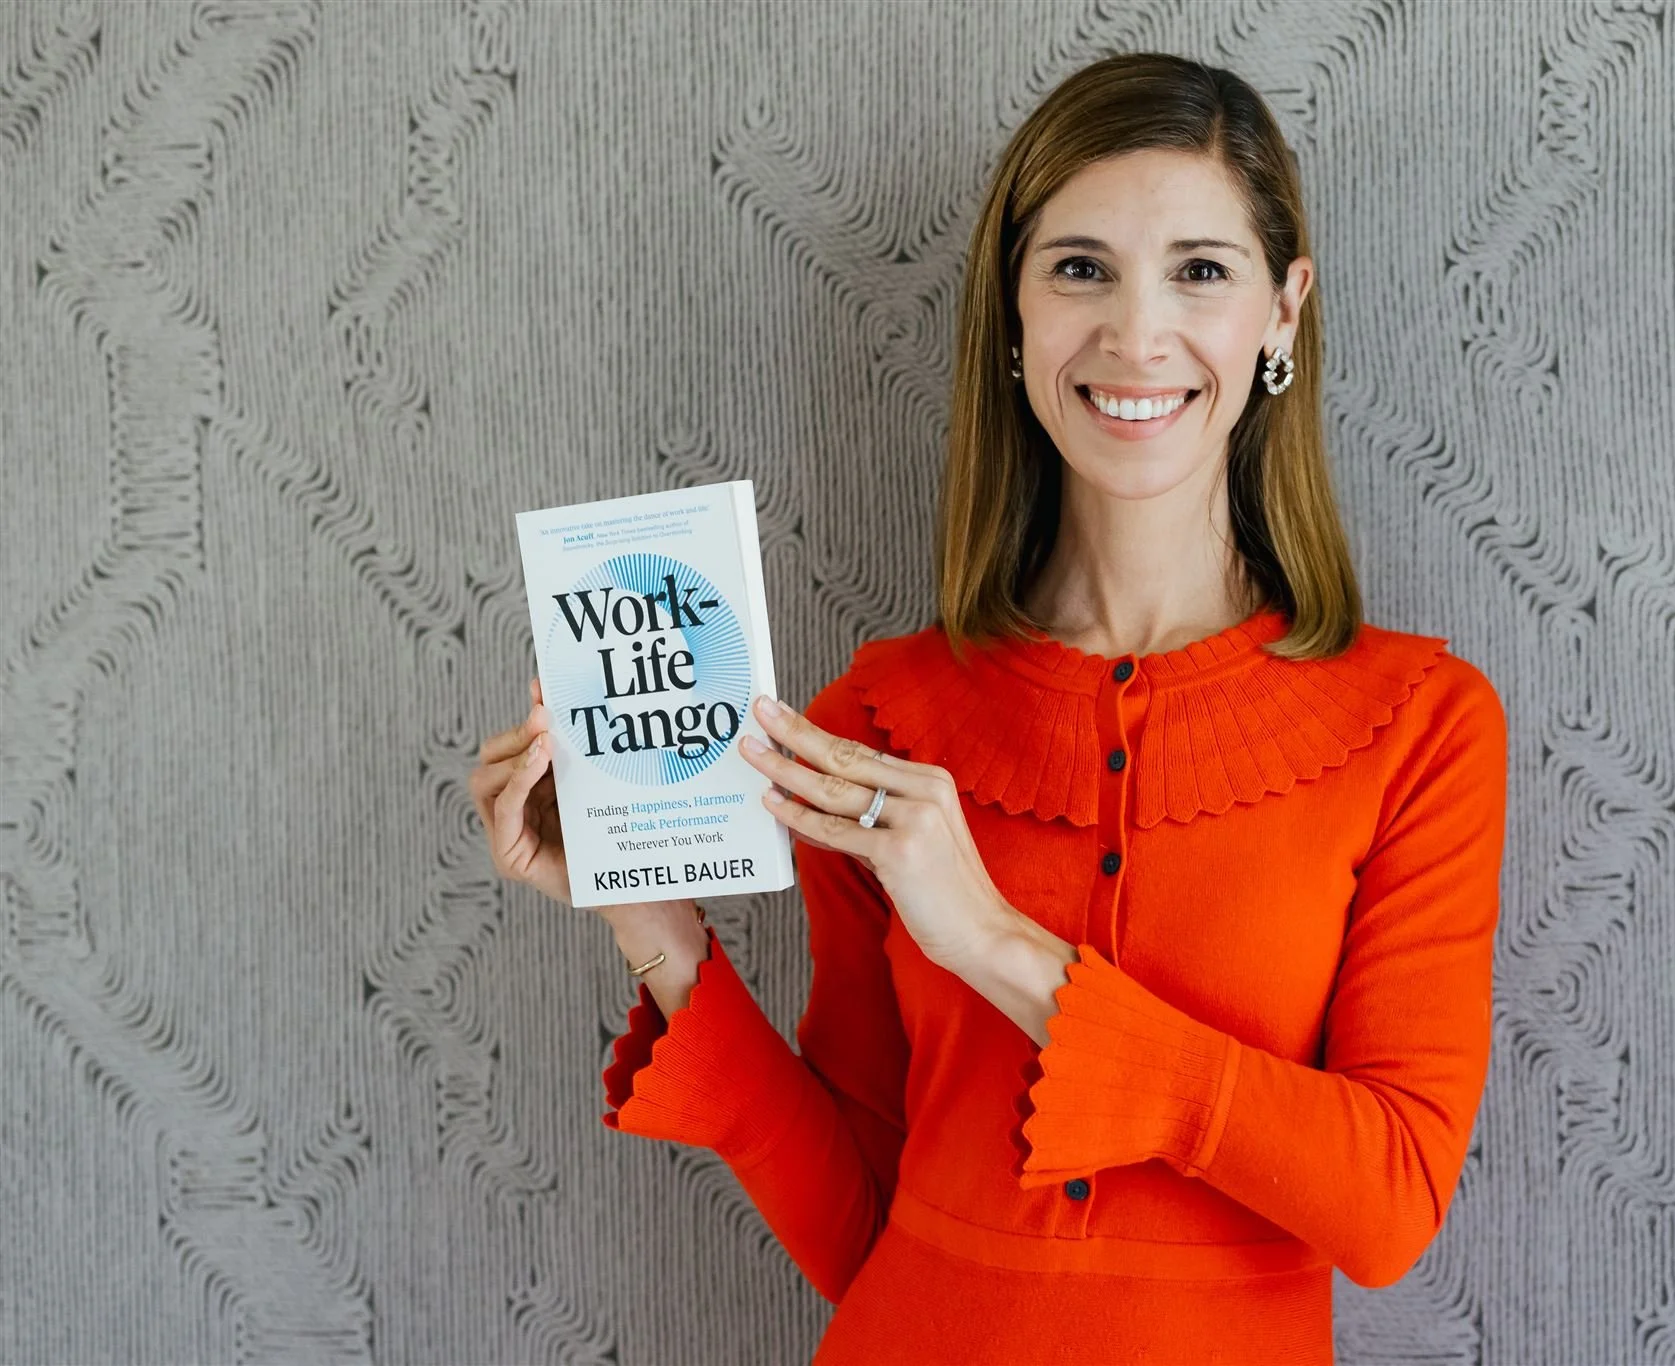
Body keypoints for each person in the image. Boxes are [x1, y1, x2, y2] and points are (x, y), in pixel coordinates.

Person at [470, 52, 1507, 1365]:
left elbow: (1391, 1203)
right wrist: (646, 909)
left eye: (1200, 269)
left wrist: (998, 943)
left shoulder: (1419, 721)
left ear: (1283, 312)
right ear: (1013, 318)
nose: (1138, 335)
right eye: (1080, 267)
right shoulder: (883, 716)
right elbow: (860, 1228)